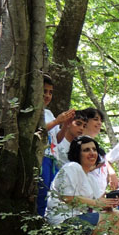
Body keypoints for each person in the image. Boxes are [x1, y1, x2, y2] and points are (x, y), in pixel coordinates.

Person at [45, 135, 119, 235]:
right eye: (86, 150)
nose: (92, 153)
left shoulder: (90, 177)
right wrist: (98, 203)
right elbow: (68, 198)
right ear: (78, 153)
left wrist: (109, 204)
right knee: (117, 217)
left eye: (94, 149)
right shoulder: (72, 167)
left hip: (79, 220)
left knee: (116, 214)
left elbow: (98, 206)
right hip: (62, 223)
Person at [36, 74, 75, 216]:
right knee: (41, 191)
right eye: (44, 91)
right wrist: (57, 121)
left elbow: (57, 139)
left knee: (52, 194)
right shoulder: (35, 112)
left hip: (53, 159)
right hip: (42, 157)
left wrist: (65, 125)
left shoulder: (49, 113)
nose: (47, 96)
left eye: (50, 92)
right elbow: (38, 131)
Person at [82, 107, 119, 192]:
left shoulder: (98, 147)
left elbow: (105, 161)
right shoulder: (79, 143)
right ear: (85, 121)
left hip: (98, 194)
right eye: (96, 119)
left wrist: (111, 173)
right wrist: (97, 165)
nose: (99, 123)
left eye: (101, 121)